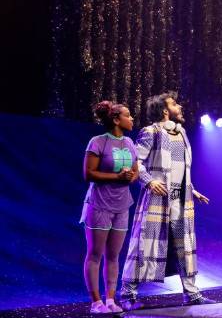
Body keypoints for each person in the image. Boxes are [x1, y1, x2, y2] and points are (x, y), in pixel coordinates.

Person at [120, 92, 211, 310]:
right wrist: (149, 181)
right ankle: (128, 295)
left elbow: (181, 169)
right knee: (145, 243)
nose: (179, 106)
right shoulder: (151, 132)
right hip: (157, 198)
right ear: (164, 111)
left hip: (181, 198)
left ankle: (191, 293)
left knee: (184, 245)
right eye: (174, 104)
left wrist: (192, 189)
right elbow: (136, 162)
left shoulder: (182, 134)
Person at [81, 101, 138, 314]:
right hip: (100, 204)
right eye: (128, 115)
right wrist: (118, 176)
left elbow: (135, 173)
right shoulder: (98, 142)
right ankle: (96, 302)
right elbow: (88, 174)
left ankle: (111, 300)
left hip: (122, 205)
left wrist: (131, 176)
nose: (131, 119)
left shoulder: (130, 143)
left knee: (114, 256)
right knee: (95, 254)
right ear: (116, 119)